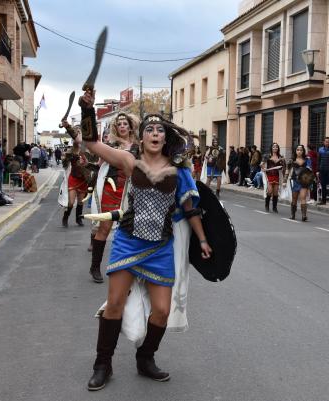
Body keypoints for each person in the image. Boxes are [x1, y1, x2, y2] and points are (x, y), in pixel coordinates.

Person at [70, 92, 212, 391]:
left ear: (166, 137)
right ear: (142, 136)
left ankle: (145, 358)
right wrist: (87, 110)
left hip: (161, 247)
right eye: (150, 129)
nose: (155, 134)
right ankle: (102, 364)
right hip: (128, 242)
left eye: (160, 130)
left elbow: (190, 208)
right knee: (115, 304)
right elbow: (92, 144)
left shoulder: (180, 171)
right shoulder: (129, 162)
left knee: (161, 310)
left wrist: (201, 240)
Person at [84, 112, 139, 283]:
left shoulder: (139, 146)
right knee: (104, 228)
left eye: (125, 123)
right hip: (111, 188)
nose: (122, 126)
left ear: (130, 126)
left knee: (130, 229)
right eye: (119, 124)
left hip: (131, 189)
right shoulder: (110, 144)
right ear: (116, 127)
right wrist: (85, 165)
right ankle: (95, 267)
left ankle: (127, 266)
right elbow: (98, 165)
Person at [60, 132, 91, 228]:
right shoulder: (71, 151)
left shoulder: (87, 151)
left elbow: (91, 163)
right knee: (71, 202)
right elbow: (64, 165)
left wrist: (85, 161)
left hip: (82, 179)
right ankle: (65, 217)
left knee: (81, 201)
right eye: (76, 138)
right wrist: (64, 158)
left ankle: (79, 219)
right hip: (73, 178)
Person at [286, 144, 312, 221]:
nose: (299, 151)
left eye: (301, 150)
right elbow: (287, 170)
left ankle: (304, 215)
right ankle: (293, 214)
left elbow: (310, 169)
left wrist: (309, 168)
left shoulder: (307, 159)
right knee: (294, 198)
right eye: (298, 150)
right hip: (295, 181)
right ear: (295, 151)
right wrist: (284, 181)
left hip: (304, 181)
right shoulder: (291, 160)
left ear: (303, 151)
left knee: (303, 197)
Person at [262, 143, 285, 213]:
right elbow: (262, 165)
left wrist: (283, 163)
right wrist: (264, 168)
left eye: (276, 147)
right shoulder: (267, 156)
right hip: (269, 175)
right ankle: (267, 205)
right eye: (274, 147)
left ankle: (274, 207)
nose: (275, 148)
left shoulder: (280, 156)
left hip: (277, 175)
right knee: (269, 191)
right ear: (271, 148)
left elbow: (284, 167)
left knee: (275, 192)